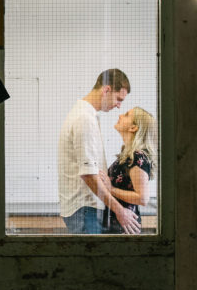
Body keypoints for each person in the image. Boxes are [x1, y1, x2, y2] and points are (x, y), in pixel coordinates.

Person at [57, 69, 141, 234]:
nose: (119, 106)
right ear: (106, 89)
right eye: (118, 99)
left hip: (85, 208)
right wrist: (119, 210)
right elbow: (88, 175)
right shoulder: (84, 118)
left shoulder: (87, 115)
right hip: (85, 209)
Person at [100, 107, 156, 234]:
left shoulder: (137, 156)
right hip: (118, 224)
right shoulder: (128, 155)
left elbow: (142, 198)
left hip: (124, 227)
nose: (120, 115)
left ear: (133, 128)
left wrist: (111, 189)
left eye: (126, 115)